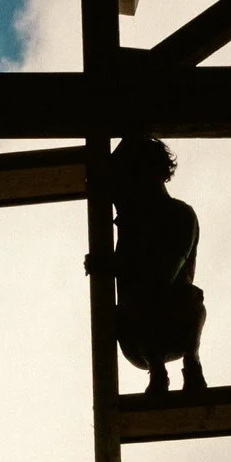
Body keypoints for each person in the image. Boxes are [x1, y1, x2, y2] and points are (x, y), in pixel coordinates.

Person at [90, 136, 207, 395]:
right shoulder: (131, 223)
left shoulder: (180, 215)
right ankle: (158, 371)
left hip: (175, 320)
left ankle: (192, 363)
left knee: (190, 297)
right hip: (137, 336)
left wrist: (113, 264)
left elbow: (163, 275)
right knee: (136, 304)